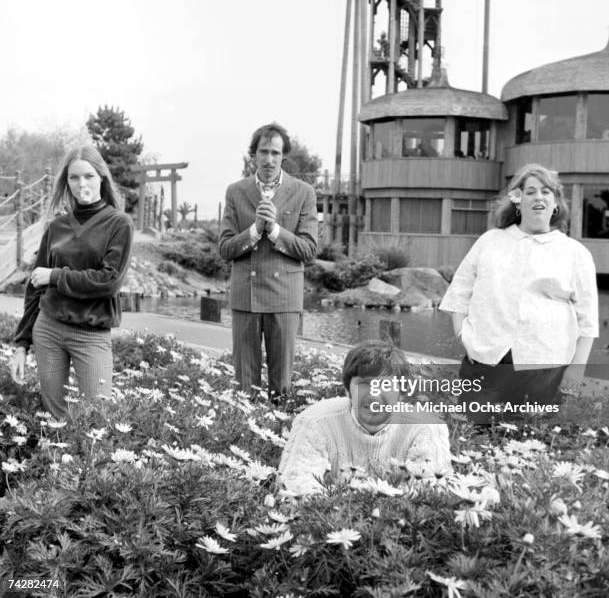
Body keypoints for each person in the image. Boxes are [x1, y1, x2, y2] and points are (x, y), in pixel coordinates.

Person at [440, 163, 598, 422]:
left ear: (556, 203)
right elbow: (459, 293)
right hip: (484, 360)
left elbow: (588, 320)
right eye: (531, 191)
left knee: (527, 441)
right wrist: (464, 335)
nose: (539, 197)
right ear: (517, 200)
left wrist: (575, 372)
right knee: (475, 435)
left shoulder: (575, 253)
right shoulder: (490, 241)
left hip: (544, 369)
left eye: (546, 192)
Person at [10, 146, 133, 418]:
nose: (82, 184)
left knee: (98, 418)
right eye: (74, 178)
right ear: (66, 182)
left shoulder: (119, 224)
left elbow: (109, 281)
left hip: (90, 335)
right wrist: (21, 344)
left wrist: (56, 276)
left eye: (88, 176)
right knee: (54, 419)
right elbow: (34, 289)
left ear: (102, 177)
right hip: (48, 330)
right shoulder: (56, 227)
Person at [218, 123, 317, 401]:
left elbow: (308, 249)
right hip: (245, 298)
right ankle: (245, 439)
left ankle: (280, 439)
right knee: (244, 387)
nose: (269, 159)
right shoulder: (236, 191)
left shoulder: (303, 192)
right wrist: (254, 230)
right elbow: (225, 248)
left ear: (283, 155)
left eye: (276, 152)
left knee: (281, 387)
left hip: (284, 298)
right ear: (254, 155)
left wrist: (273, 230)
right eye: (264, 151)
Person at [278, 340, 452, 495]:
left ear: (401, 393)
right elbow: (295, 486)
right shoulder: (315, 422)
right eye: (364, 384)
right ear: (347, 390)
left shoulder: (427, 427)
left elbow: (430, 493)